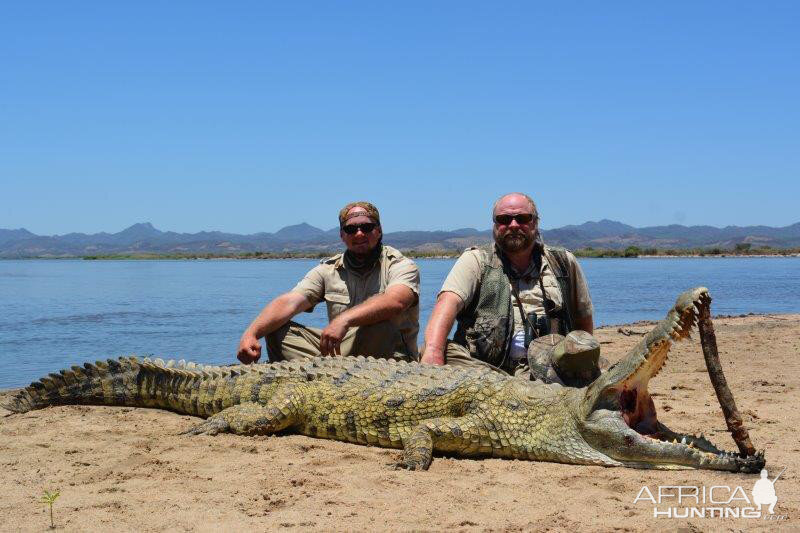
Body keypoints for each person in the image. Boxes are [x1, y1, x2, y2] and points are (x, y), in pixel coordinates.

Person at [421, 192, 597, 384]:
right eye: (504, 219)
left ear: (535, 223)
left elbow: (583, 320)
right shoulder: (476, 260)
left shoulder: (563, 262)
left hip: (551, 371)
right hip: (486, 372)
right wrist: (433, 353)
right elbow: (448, 304)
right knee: (441, 352)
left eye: (522, 218)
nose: (513, 225)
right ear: (495, 225)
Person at [237, 201, 420, 364]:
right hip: (340, 351)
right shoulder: (328, 269)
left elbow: (397, 301)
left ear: (378, 231)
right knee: (275, 328)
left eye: (366, 227)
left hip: (390, 358)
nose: (359, 233)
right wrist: (251, 334)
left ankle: (318, 372)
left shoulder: (401, 265)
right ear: (342, 235)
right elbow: (291, 301)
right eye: (351, 229)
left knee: (381, 321)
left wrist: (344, 320)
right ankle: (322, 374)